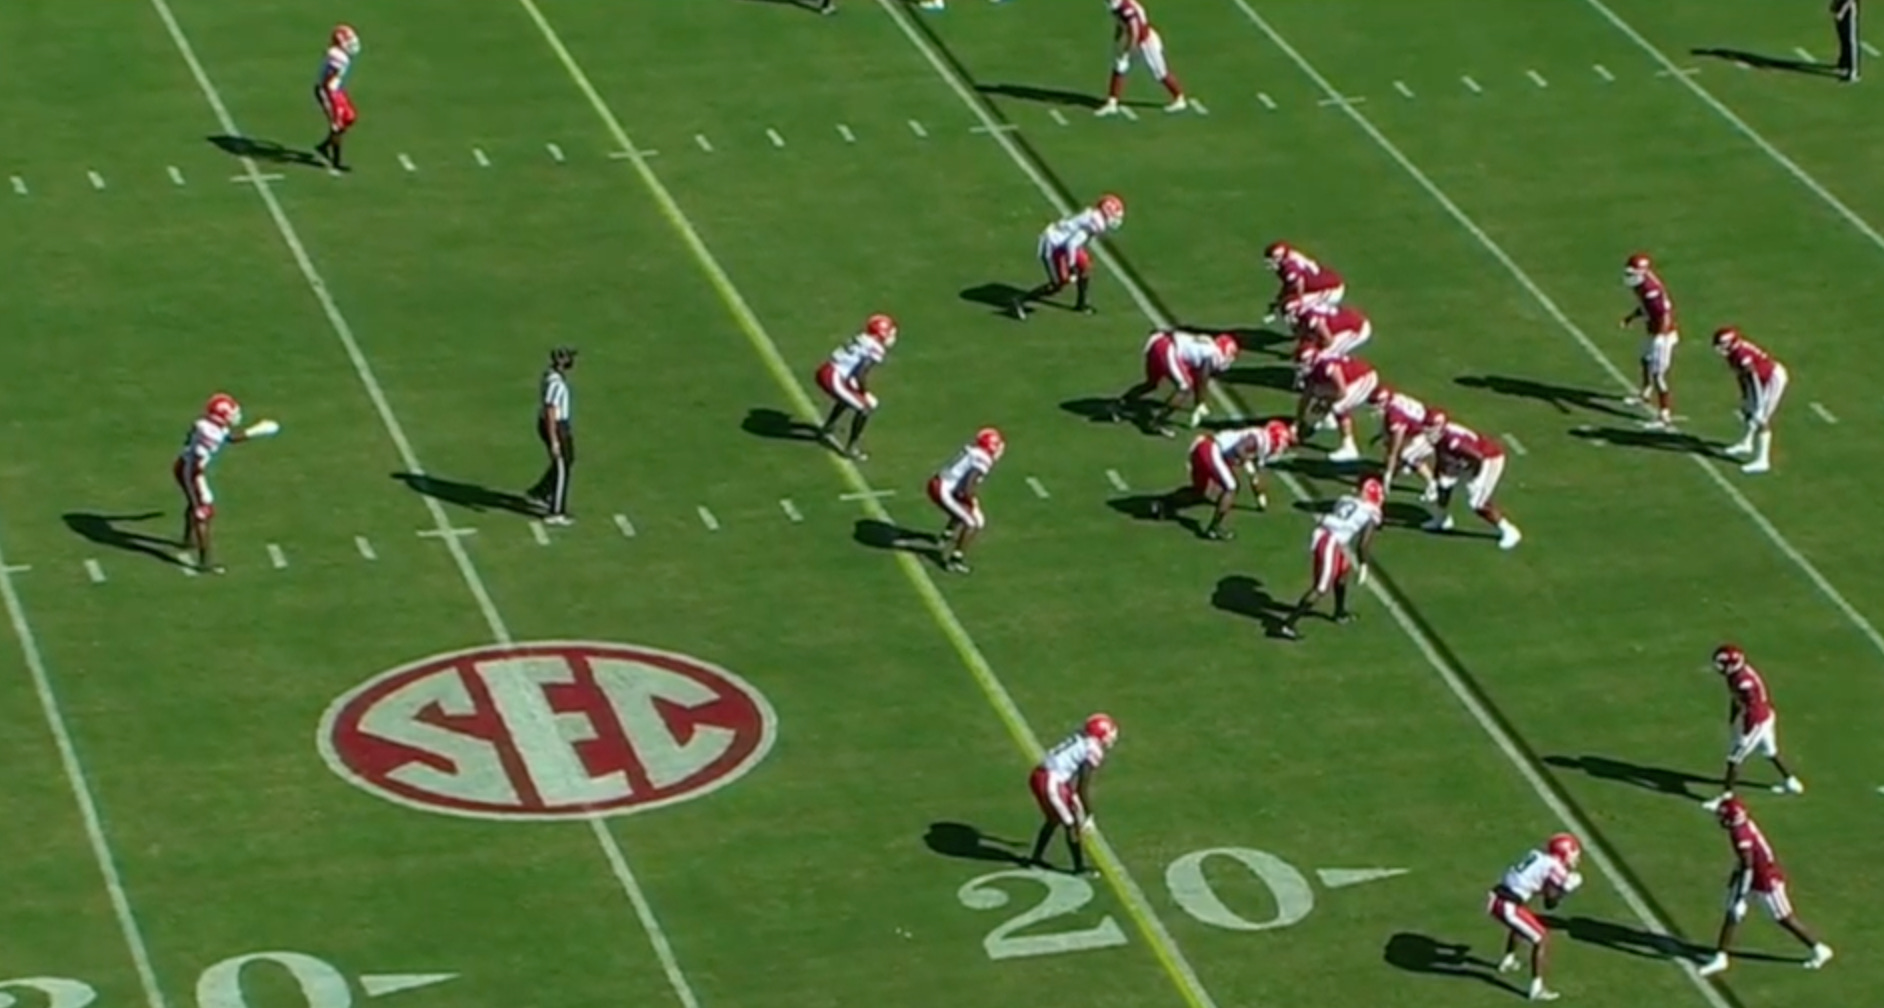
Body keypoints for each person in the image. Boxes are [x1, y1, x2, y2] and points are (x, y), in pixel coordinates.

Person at [527, 346, 577, 525]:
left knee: (568, 459)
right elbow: (550, 411)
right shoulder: (556, 384)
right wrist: (554, 439)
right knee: (562, 465)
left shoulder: (550, 376)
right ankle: (556, 511)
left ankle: (541, 492)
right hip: (555, 425)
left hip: (558, 424)